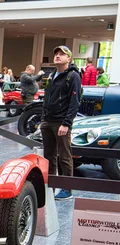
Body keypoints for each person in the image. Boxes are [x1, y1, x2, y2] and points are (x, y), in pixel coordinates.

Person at [41, 45, 81, 201]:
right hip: (48, 120)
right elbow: (47, 97)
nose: (57, 56)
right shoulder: (52, 75)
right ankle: (51, 184)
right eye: (56, 54)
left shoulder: (73, 76)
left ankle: (67, 188)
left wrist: (67, 123)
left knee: (64, 155)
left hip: (61, 122)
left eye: (61, 54)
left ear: (68, 58)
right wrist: (44, 117)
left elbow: (75, 102)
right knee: (49, 156)